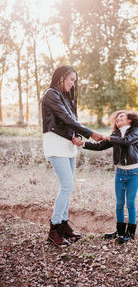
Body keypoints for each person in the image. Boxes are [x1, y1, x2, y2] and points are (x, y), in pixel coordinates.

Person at [42, 65, 104, 246]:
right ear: (61, 77)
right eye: (71, 80)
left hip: (67, 143)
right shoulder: (51, 94)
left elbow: (71, 122)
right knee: (66, 186)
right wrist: (90, 133)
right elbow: (66, 119)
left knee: (68, 187)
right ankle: (54, 229)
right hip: (55, 143)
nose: (73, 84)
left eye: (74, 81)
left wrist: (74, 136)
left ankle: (63, 225)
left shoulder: (66, 97)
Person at [73, 110, 138, 243]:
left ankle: (131, 233)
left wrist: (108, 137)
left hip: (133, 173)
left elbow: (126, 141)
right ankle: (121, 232)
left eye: (121, 117)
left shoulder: (134, 131)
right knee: (119, 203)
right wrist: (83, 144)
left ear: (130, 120)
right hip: (120, 173)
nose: (118, 119)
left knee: (130, 203)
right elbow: (101, 146)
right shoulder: (115, 134)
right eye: (116, 118)